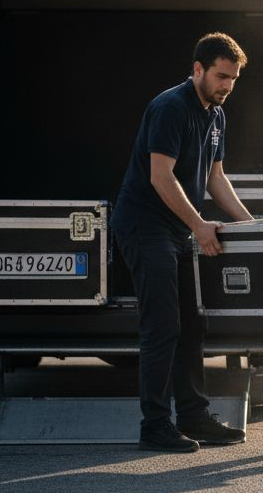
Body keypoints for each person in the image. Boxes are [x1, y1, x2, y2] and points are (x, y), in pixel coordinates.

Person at [109, 32, 254, 453]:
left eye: (234, 78)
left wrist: (252, 228)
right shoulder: (171, 107)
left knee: (193, 324)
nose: (228, 85)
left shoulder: (217, 115)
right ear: (198, 70)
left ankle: (194, 417)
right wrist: (198, 225)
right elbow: (160, 176)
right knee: (162, 326)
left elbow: (215, 178)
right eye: (221, 76)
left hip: (174, 229)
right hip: (143, 225)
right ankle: (155, 426)